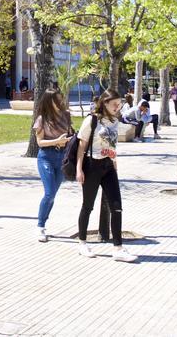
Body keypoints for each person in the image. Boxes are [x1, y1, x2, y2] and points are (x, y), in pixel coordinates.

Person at [75, 90, 136, 263]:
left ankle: (118, 247)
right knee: (87, 206)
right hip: (92, 165)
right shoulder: (92, 120)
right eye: (114, 104)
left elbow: (112, 144)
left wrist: (115, 162)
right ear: (104, 103)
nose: (118, 107)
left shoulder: (115, 121)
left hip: (109, 166)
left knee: (116, 206)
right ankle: (82, 243)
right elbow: (81, 146)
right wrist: (79, 169)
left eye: (120, 103)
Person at [33, 89, 73, 242]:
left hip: (62, 158)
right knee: (49, 193)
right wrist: (57, 141)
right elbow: (39, 142)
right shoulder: (42, 119)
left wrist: (69, 140)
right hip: (46, 157)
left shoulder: (66, 116)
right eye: (56, 100)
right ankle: (40, 226)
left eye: (60, 100)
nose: (59, 103)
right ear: (49, 102)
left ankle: (43, 223)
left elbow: (70, 135)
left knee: (52, 195)